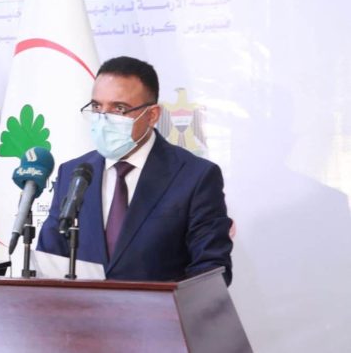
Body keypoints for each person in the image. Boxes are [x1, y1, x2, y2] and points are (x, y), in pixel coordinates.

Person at [36, 56, 233, 285]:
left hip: (161, 309)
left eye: (119, 109)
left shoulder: (195, 176)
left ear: (152, 115)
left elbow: (211, 271)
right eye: (97, 106)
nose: (103, 119)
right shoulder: (74, 173)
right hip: (81, 308)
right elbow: (50, 261)